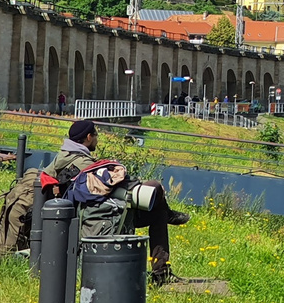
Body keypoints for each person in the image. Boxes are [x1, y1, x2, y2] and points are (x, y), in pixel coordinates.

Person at [46, 120, 190, 284]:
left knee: (159, 212)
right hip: (104, 215)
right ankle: (161, 272)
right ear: (88, 137)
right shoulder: (82, 162)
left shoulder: (64, 155)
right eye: (96, 135)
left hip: (92, 211)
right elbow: (109, 186)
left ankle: (162, 269)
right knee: (157, 200)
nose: (97, 140)